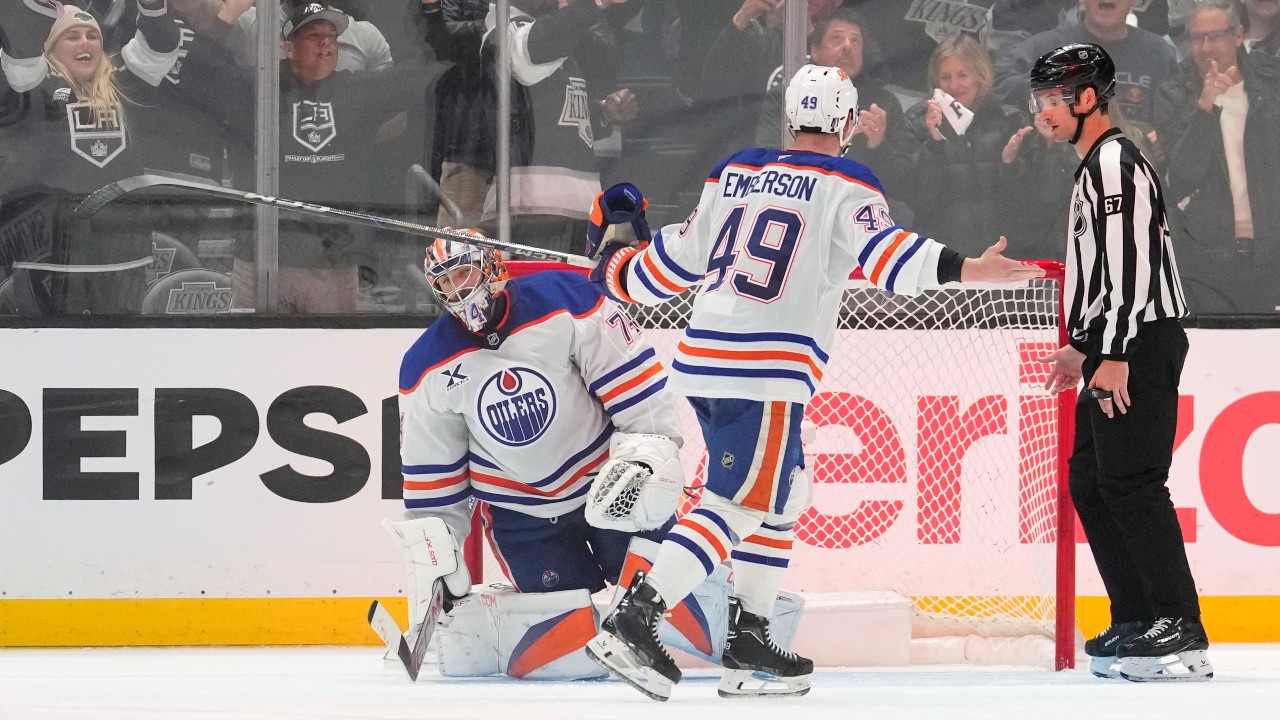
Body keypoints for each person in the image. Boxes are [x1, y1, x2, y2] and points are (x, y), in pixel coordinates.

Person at [583, 64, 1044, 701]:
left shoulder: (734, 171)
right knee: (738, 504)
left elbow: (675, 262)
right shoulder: (848, 182)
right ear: (847, 122)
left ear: (790, 116)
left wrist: (613, 269)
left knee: (785, 493)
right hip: (764, 370)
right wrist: (968, 268)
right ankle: (636, 619)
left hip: (707, 359)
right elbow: (887, 259)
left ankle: (750, 640)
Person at [389, 234, 688, 680]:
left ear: (492, 267)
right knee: (567, 645)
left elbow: (635, 388)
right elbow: (434, 477)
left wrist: (649, 456)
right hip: (523, 517)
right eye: (445, 282)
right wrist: (438, 559)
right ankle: (495, 621)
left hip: (610, 488)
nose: (458, 289)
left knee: (679, 608)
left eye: (464, 272)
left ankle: (740, 619)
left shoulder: (567, 299)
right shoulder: (425, 365)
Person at [1030, 43, 1211, 683]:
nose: (1044, 111)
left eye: (1055, 99)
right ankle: (1137, 616)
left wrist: (1111, 354)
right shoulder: (1097, 164)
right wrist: (1085, 348)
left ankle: (1179, 625)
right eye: (1039, 99)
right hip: (1118, 342)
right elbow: (1111, 270)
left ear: (1088, 99)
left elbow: (1130, 267)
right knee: (1091, 478)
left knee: (1133, 482)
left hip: (1137, 344)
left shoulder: (1113, 163)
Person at [0, 0, 180, 315]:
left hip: (122, 248)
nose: (85, 42)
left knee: (120, 336)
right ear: (49, 47)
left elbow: (160, 46)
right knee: (53, 337)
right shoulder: (34, 85)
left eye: (92, 35)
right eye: (72, 36)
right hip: (48, 250)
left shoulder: (124, 84)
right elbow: (22, 45)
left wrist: (152, 6)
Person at [1157, 0, 1280, 312]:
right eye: (1196, 38)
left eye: (1215, 36)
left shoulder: (1271, 90)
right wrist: (1205, 108)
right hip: (1206, 258)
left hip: (1271, 254)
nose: (1206, 48)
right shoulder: (1174, 95)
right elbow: (1180, 179)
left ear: (1237, 36)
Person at [899, 34, 1035, 256]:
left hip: (1002, 255)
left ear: (981, 77)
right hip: (941, 259)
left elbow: (1028, 203)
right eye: (945, 77)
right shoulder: (917, 122)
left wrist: (1010, 166)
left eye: (962, 75)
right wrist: (934, 145)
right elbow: (917, 199)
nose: (953, 85)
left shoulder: (1009, 121)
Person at [993, 0, 1183, 157]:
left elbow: (1181, 109)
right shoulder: (1047, 47)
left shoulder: (1158, 52)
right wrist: (1051, 88)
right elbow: (998, 84)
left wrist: (1166, 136)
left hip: (1135, 174)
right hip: (1064, 176)